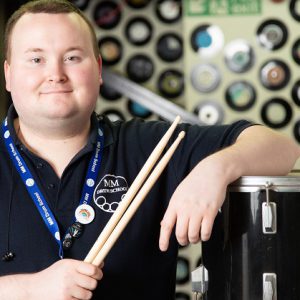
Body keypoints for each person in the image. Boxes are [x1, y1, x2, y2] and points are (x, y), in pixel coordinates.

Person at [0, 0, 299, 299]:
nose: (56, 74)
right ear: (8, 74)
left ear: (99, 69)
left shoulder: (149, 145)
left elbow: (283, 150)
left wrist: (218, 168)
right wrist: (30, 289)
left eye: (73, 57)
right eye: (36, 59)